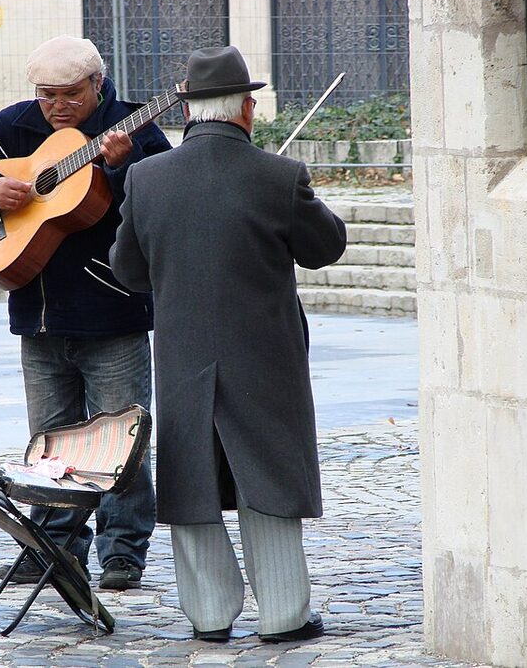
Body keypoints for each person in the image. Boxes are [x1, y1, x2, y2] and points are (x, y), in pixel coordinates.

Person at [110, 46, 347, 640]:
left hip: (183, 356)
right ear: (246, 108)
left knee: (190, 483)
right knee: (266, 478)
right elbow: (326, 248)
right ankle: (284, 614)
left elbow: (128, 270)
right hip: (265, 357)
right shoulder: (278, 175)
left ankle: (210, 616)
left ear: (187, 112)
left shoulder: (145, 177)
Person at [0, 35, 172, 590]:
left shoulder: (132, 123)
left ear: (98, 84)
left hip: (113, 311)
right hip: (39, 313)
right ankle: (54, 548)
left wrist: (124, 165)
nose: (57, 106)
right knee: (47, 444)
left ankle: (124, 552)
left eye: (70, 94)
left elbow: (163, 200)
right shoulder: (16, 125)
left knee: (122, 442)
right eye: (46, 95)